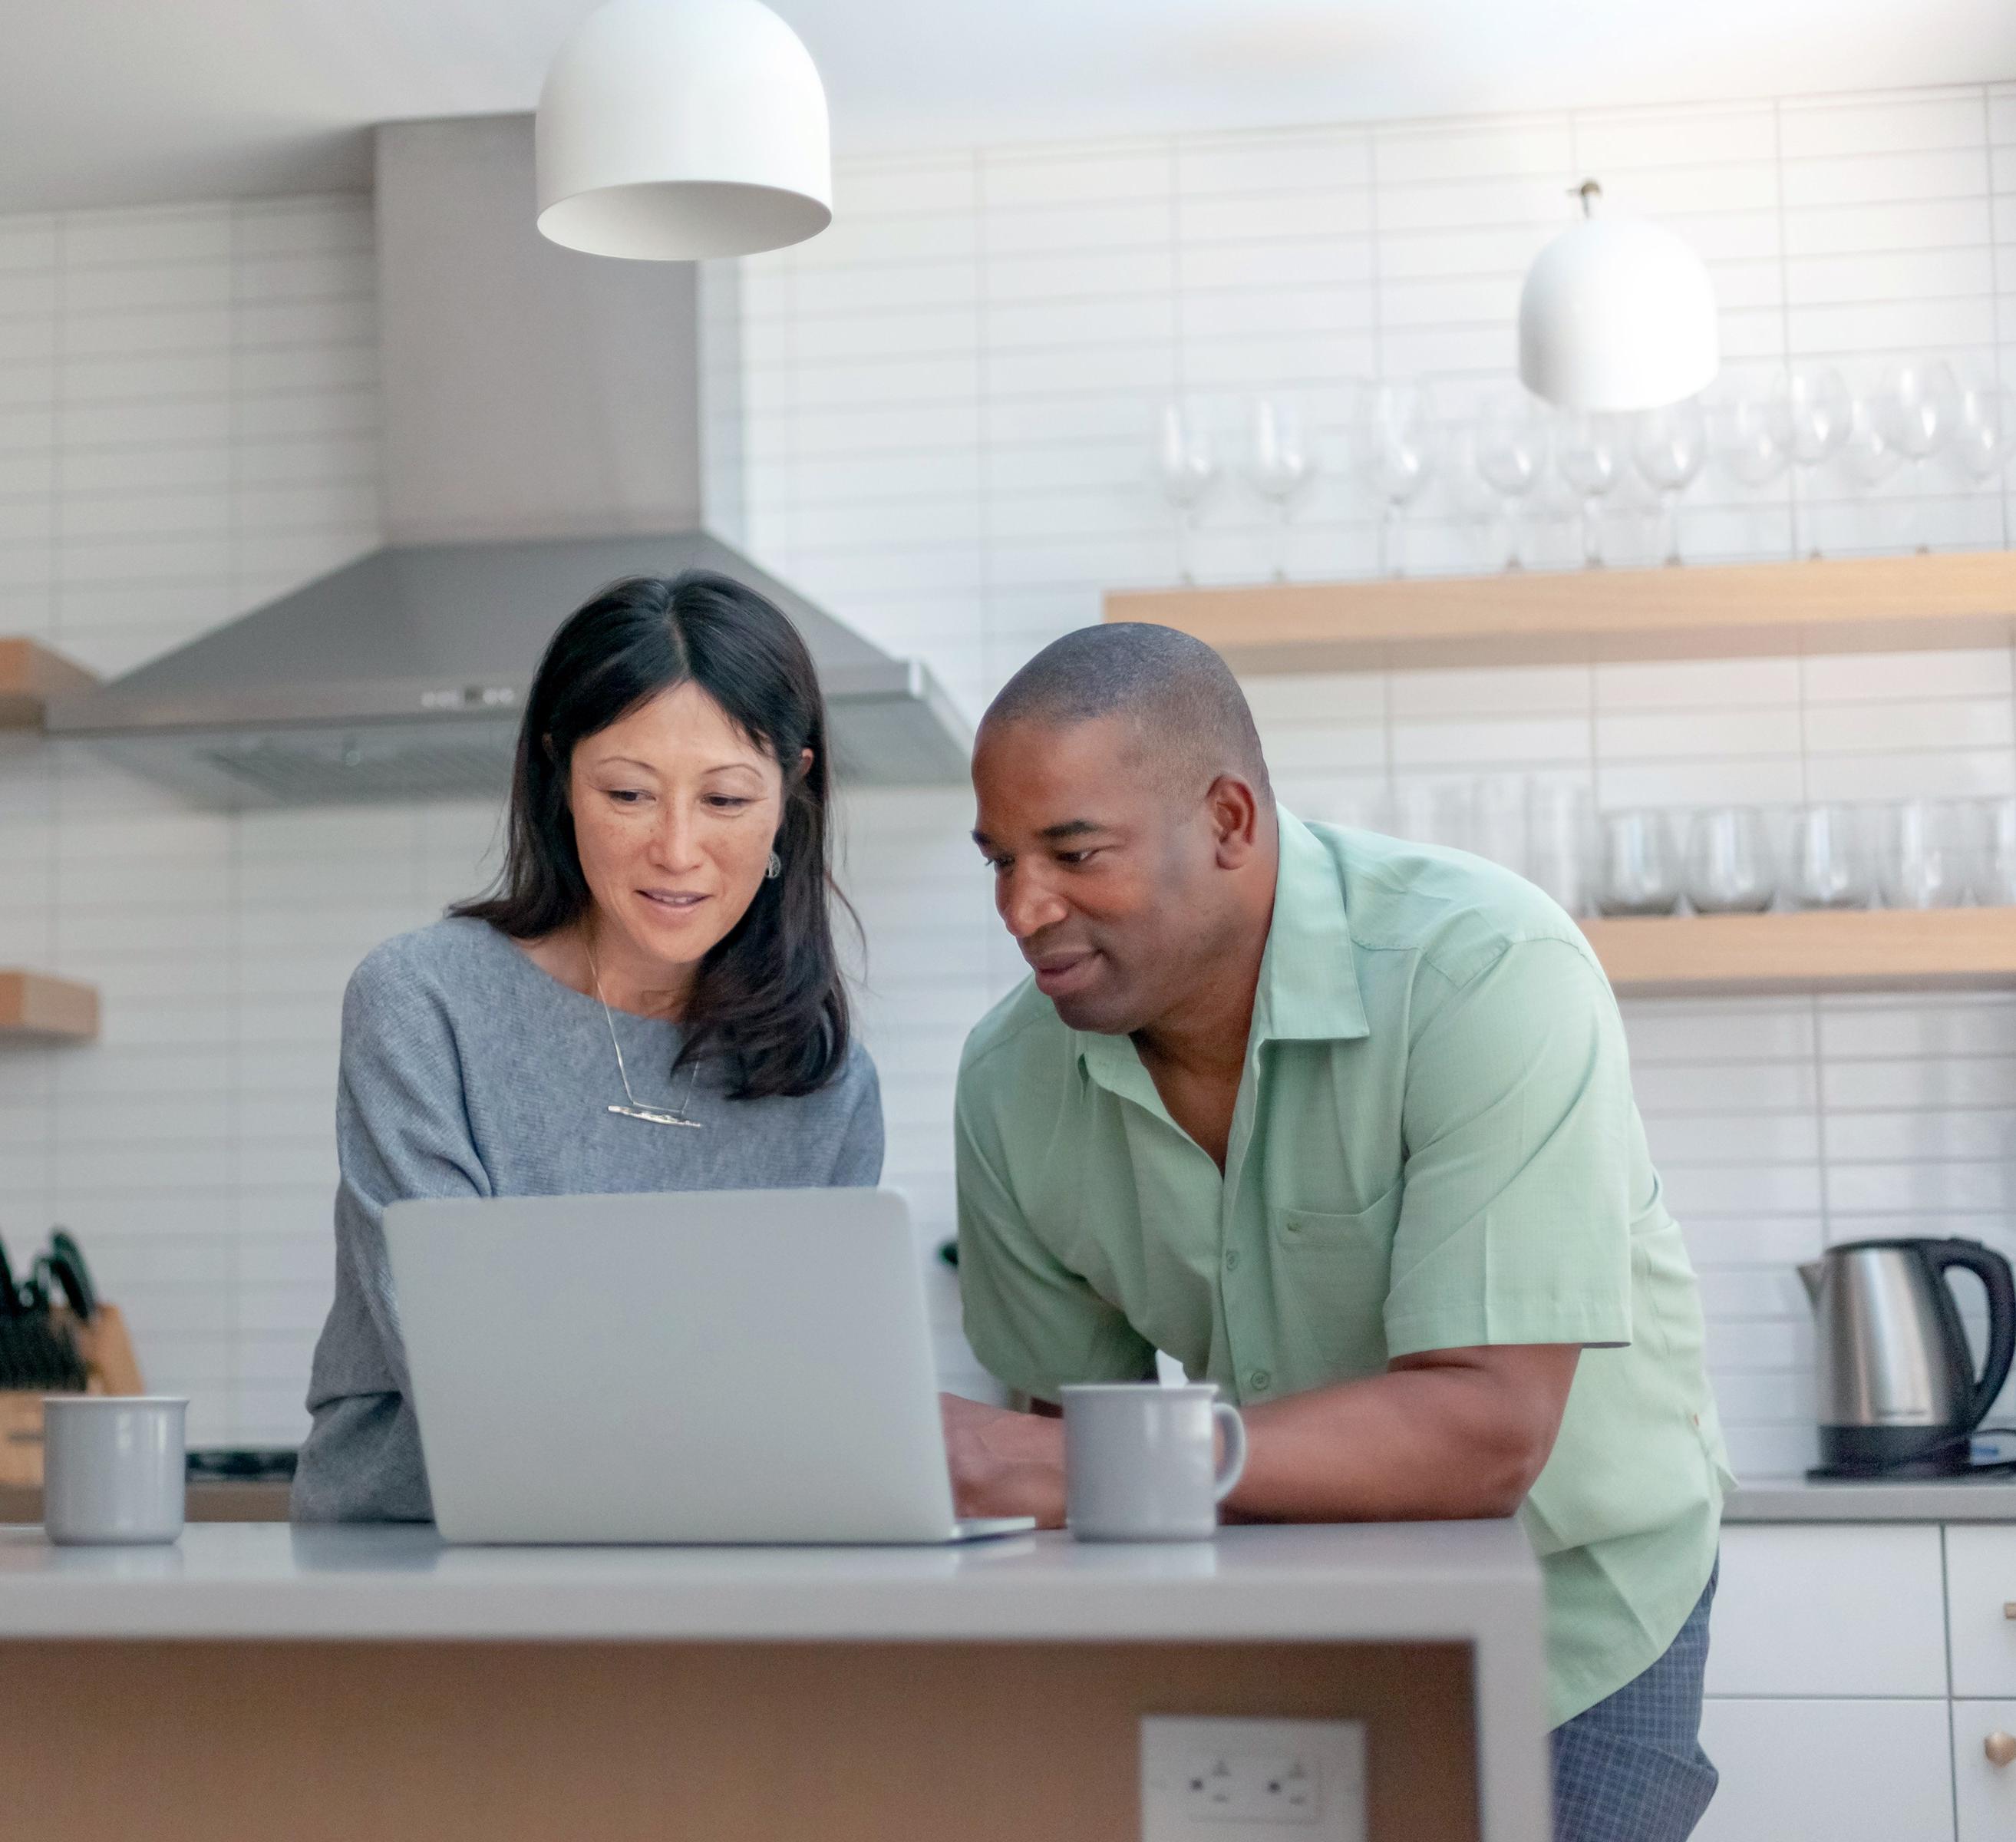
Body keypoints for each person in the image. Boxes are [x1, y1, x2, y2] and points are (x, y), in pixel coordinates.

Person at [940, 622, 1731, 1842]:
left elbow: (1484, 1430)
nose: (1021, 906)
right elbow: (1059, 1466)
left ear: (1228, 823)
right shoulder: (1007, 1082)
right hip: (1287, 1603)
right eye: (997, 859)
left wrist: (1045, 1468)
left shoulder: (1480, 968)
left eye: (1071, 851)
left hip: (1569, 1604)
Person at [292, 571, 883, 1522]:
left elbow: (812, 1398)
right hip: (413, 1567)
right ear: (558, 778)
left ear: (791, 796)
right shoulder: (423, 1002)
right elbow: (455, 1356)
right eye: (629, 793)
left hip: (714, 1564)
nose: (678, 850)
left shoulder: (825, 1085)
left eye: (726, 800)